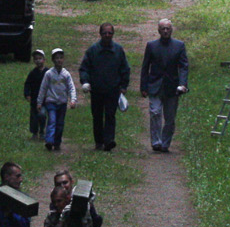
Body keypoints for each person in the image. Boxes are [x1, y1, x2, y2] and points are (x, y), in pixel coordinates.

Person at [139, 17, 189, 153]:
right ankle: (156, 142)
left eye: (168, 29)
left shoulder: (179, 46)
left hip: (172, 87)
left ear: (171, 30)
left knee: (170, 117)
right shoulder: (151, 46)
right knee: (155, 112)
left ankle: (165, 143)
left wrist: (183, 84)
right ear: (158, 30)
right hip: (155, 85)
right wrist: (143, 87)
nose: (166, 31)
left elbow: (184, 66)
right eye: (163, 29)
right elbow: (145, 67)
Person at [79, 23, 131, 152]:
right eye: (104, 33)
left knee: (110, 115)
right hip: (96, 90)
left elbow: (125, 69)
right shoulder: (93, 51)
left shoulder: (118, 50)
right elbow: (84, 68)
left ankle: (109, 141)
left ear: (113, 34)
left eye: (110, 33)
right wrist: (85, 81)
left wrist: (123, 86)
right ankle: (99, 141)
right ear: (100, 34)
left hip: (113, 90)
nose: (107, 35)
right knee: (97, 116)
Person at [37, 47, 77, 151]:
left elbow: (71, 87)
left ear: (63, 59)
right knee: (52, 121)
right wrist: (39, 102)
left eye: (61, 58)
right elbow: (43, 88)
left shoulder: (66, 74)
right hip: (51, 102)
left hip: (62, 103)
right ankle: (49, 141)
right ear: (53, 60)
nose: (59, 60)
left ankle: (57, 142)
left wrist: (73, 100)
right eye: (56, 58)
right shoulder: (49, 74)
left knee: (60, 124)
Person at [23, 49, 47, 139]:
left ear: (44, 60)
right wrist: (27, 94)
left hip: (45, 99)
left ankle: (42, 131)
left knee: (42, 115)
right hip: (34, 99)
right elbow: (27, 84)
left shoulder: (47, 72)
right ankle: (34, 132)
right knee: (33, 117)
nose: (38, 61)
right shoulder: (33, 73)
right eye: (36, 59)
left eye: (40, 58)